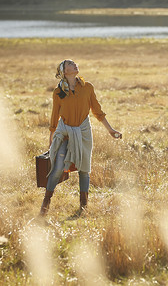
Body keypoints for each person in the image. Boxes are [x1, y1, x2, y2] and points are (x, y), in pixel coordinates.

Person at [39, 59, 121, 217]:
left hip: (83, 132)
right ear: (64, 72)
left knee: (84, 170)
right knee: (56, 169)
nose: (74, 64)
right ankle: (45, 206)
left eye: (74, 63)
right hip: (64, 133)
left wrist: (110, 130)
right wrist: (51, 140)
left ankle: (83, 208)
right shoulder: (58, 92)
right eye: (69, 63)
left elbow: (98, 112)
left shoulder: (87, 87)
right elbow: (54, 117)